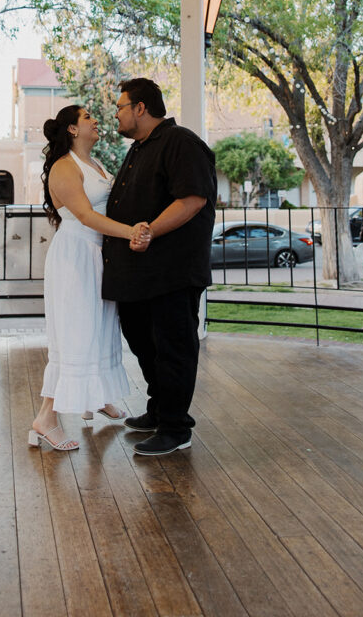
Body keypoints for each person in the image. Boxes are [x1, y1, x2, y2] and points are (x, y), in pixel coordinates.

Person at [102, 78, 217, 457]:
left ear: (140, 108)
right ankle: (157, 410)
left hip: (171, 271)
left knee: (173, 348)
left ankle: (175, 426)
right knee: (142, 342)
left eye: (120, 106)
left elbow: (192, 200)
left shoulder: (180, 142)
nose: (116, 113)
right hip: (137, 275)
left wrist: (150, 231)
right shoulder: (138, 149)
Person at [29, 104, 150, 452]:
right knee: (75, 336)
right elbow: (83, 215)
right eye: (87, 118)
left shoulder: (96, 165)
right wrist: (131, 232)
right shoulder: (64, 167)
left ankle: (94, 399)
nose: (96, 121)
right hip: (75, 258)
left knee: (101, 330)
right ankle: (46, 418)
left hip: (100, 256)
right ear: (71, 129)